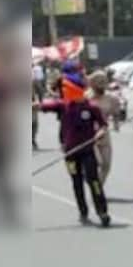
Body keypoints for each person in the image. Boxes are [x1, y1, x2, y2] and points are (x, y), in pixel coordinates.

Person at [39, 66, 111, 227]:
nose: (64, 92)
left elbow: (103, 126)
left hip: (87, 151)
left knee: (93, 181)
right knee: (76, 182)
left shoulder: (92, 108)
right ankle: (83, 210)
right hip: (70, 153)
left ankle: (102, 211)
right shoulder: (63, 106)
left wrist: (100, 133)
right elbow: (40, 106)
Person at [87, 70, 122, 186]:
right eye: (99, 81)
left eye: (103, 81)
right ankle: (87, 174)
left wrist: (116, 123)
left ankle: (98, 186)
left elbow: (116, 113)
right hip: (89, 135)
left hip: (104, 134)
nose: (102, 84)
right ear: (92, 83)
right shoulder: (86, 98)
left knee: (106, 164)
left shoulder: (111, 98)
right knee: (98, 161)